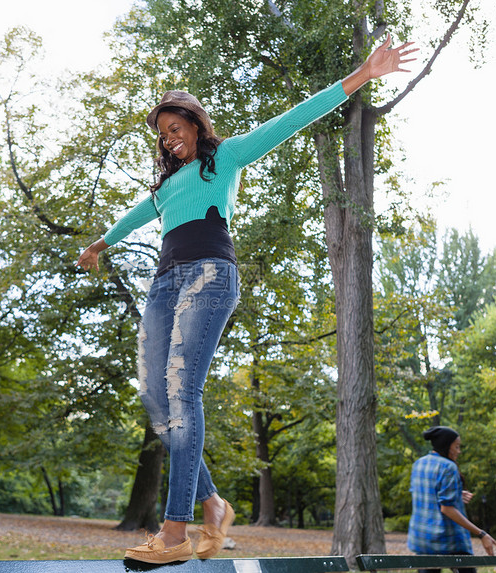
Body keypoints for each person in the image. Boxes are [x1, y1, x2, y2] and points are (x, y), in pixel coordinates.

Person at [77, 35, 418, 564]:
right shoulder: (166, 187)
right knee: (157, 395)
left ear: (195, 125)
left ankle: (174, 533)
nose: (169, 139)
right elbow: (139, 215)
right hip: (165, 281)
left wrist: (362, 76)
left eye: (175, 128)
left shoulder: (225, 158)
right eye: (162, 135)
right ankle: (213, 504)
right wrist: (103, 243)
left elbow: (290, 121)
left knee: (182, 390)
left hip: (209, 275)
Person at [407, 426, 496, 573]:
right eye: (456, 447)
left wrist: (456, 494)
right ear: (446, 446)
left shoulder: (419, 464)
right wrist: (481, 533)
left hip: (423, 539)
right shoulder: (448, 467)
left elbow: (425, 494)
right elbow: (446, 509)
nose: (459, 451)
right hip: (447, 540)